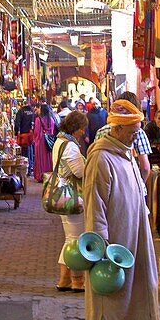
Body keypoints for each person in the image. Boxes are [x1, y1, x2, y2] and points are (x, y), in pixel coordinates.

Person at [83, 98, 160, 320]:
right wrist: (100, 239)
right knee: (112, 285)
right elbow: (96, 203)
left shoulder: (124, 154)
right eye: (132, 133)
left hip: (132, 230)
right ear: (117, 130)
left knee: (131, 283)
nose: (134, 137)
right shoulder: (102, 158)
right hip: (113, 234)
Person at [52, 110, 89, 292]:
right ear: (75, 128)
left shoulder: (59, 141)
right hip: (72, 195)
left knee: (70, 238)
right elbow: (80, 172)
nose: (83, 132)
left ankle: (64, 280)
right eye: (82, 128)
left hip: (62, 194)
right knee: (76, 239)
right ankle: (77, 280)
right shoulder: (70, 146)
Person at [94, 92, 152, 183]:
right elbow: (145, 167)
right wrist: (139, 186)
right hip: (130, 182)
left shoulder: (101, 131)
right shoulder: (138, 131)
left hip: (107, 182)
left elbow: (96, 163)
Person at [31, 104, 57, 182]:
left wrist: (35, 141)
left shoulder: (38, 120)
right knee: (48, 159)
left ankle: (40, 176)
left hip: (40, 141)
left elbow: (36, 132)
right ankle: (49, 176)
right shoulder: (52, 120)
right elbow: (52, 131)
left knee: (40, 159)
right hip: (49, 142)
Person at [14, 99, 36, 175]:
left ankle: (27, 170)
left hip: (24, 135)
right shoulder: (32, 111)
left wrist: (17, 133)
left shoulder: (21, 111)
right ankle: (31, 167)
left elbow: (17, 123)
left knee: (25, 152)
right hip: (31, 134)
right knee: (31, 150)